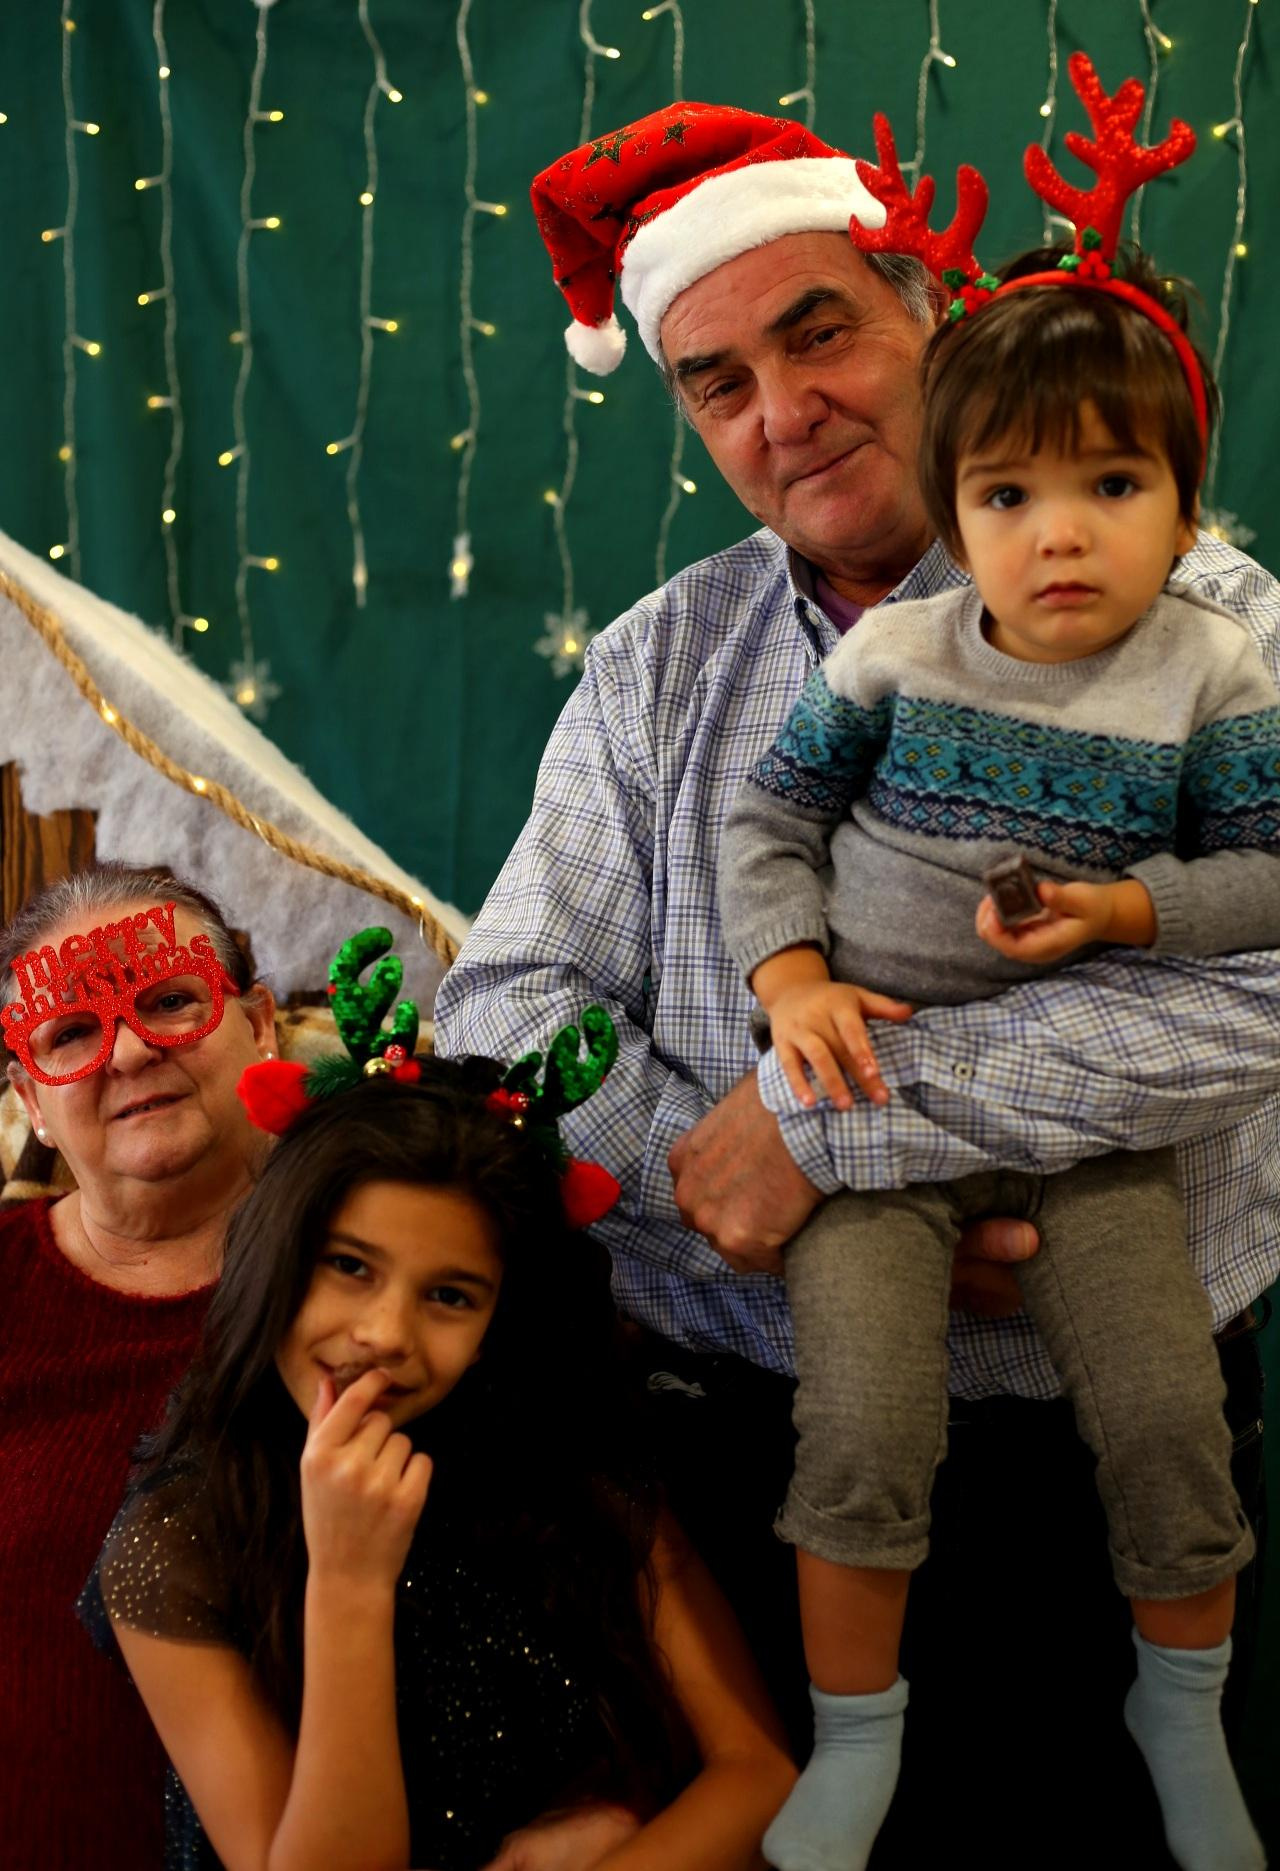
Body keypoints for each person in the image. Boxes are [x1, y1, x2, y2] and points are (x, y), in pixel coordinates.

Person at [437, 87, 1279, 1864]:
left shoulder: (1211, 616)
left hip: (1096, 1462)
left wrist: (831, 1136)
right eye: (718, 381)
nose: (782, 411)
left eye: (820, 332)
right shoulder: (663, 666)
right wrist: (703, 1166)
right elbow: (502, 1005)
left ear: (933, 314)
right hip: (741, 1455)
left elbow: (1262, 975)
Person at [718, 94, 1273, 1863]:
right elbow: (770, 819)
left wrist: (1124, 920)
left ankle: (1182, 1716)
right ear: (960, 507)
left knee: (1174, 1421)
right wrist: (795, 981)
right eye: (1012, 496)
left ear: (1184, 499)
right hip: (865, 1114)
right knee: (864, 1426)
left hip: (1087, 1157)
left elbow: (1269, 896)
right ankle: (854, 1742)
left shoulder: (1221, 662)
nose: (1059, 536)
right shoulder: (895, 649)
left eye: (1114, 488)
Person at [86, 987, 796, 1871]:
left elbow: (762, 1774)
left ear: (499, 1320)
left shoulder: (576, 1462)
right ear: (276, 1253)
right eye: (349, 1266)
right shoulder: (177, 1539)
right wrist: (349, 1578)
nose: (385, 1332)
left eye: (450, 1296)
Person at [0, 862, 278, 1870]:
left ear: (260, 1023)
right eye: (70, 1032)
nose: (125, 1049)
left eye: (168, 999)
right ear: (31, 1097)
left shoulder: (393, 1277)